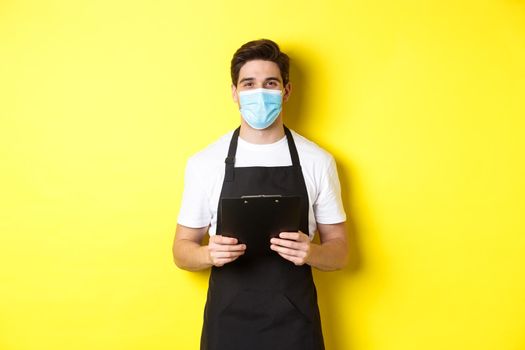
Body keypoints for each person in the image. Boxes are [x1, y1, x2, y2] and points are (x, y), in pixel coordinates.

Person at [172, 39, 348, 350]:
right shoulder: (205, 163)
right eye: (249, 84)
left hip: (295, 325)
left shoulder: (317, 161)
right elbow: (181, 250)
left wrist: (313, 253)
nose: (259, 93)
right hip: (227, 324)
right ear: (235, 93)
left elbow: (340, 249)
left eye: (270, 83)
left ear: (286, 91)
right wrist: (206, 254)